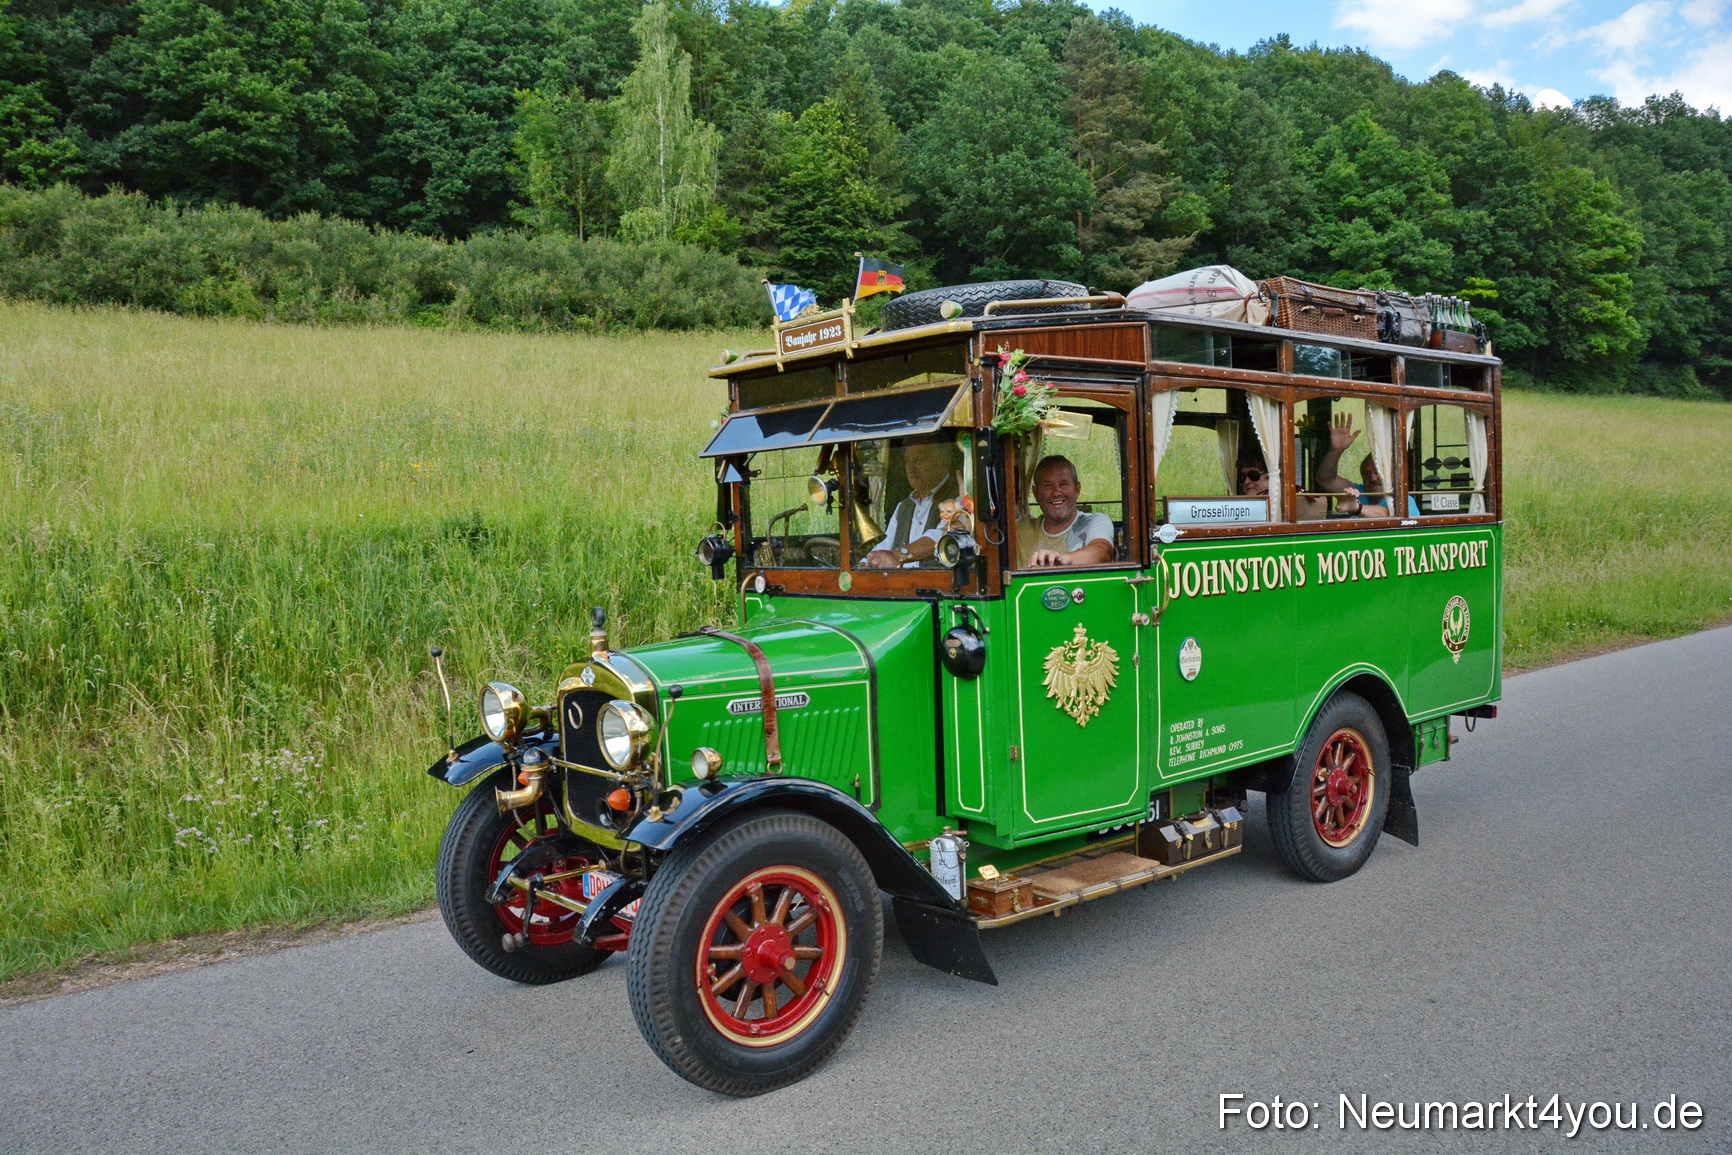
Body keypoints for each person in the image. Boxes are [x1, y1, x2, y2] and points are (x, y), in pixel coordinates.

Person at [862, 436, 964, 568]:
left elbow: (940, 537)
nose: (911, 467)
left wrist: (898, 555)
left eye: (919, 460)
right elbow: (886, 544)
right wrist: (865, 563)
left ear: (943, 461)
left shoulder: (959, 499)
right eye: (907, 461)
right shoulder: (903, 506)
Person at [1017, 455, 1115, 568]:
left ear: (1077, 489)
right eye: (1048, 486)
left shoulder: (1095, 521)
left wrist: (1063, 559)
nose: (1056, 493)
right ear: (1035, 493)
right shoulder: (1021, 529)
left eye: (1063, 484)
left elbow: (1102, 551)